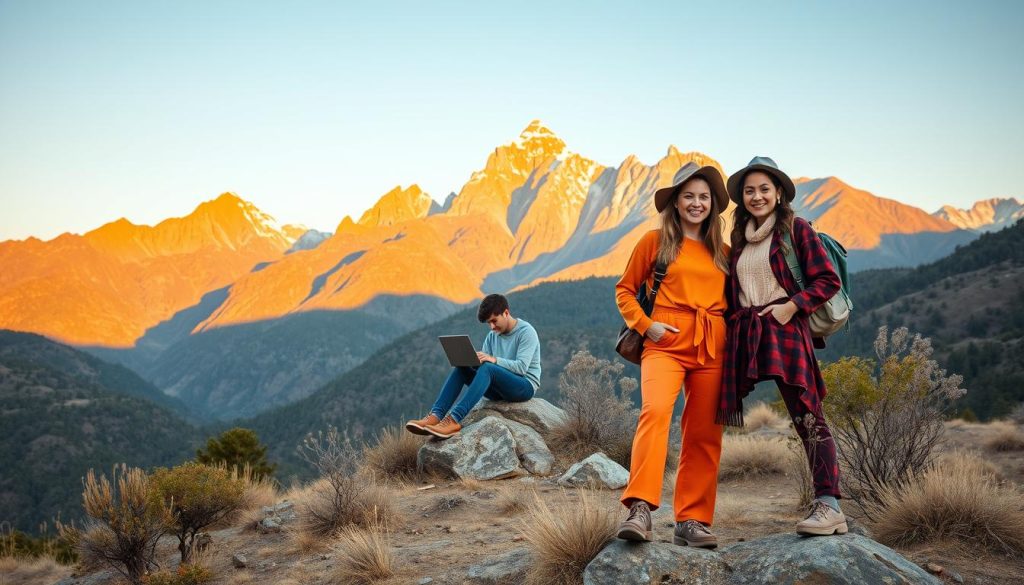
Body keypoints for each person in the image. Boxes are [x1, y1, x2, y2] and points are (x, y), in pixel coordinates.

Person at [720, 156, 846, 536]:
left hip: (784, 330)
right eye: (749, 191)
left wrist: (791, 307)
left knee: (807, 416)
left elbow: (827, 281)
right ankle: (695, 510)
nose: (757, 196)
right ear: (742, 199)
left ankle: (829, 505)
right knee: (716, 402)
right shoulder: (739, 240)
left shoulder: (797, 230)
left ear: (778, 193)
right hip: (747, 331)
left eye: (764, 189)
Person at [614, 162, 730, 548]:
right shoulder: (654, 241)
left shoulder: (723, 252)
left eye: (703, 197)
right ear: (676, 203)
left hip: (712, 344)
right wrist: (649, 327)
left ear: (713, 204)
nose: (696, 203)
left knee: (704, 432)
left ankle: (692, 520)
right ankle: (641, 508)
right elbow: (625, 291)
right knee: (655, 414)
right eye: (689, 197)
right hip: (664, 342)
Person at [405, 294, 541, 440]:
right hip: (499, 389)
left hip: (523, 387)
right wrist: (474, 362)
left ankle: (453, 420)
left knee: (489, 368)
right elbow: (486, 369)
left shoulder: (526, 332)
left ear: (506, 313)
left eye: (494, 321)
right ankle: (435, 416)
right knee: (462, 369)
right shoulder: (492, 335)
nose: (492, 327)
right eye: (489, 323)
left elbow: (521, 368)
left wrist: (493, 360)